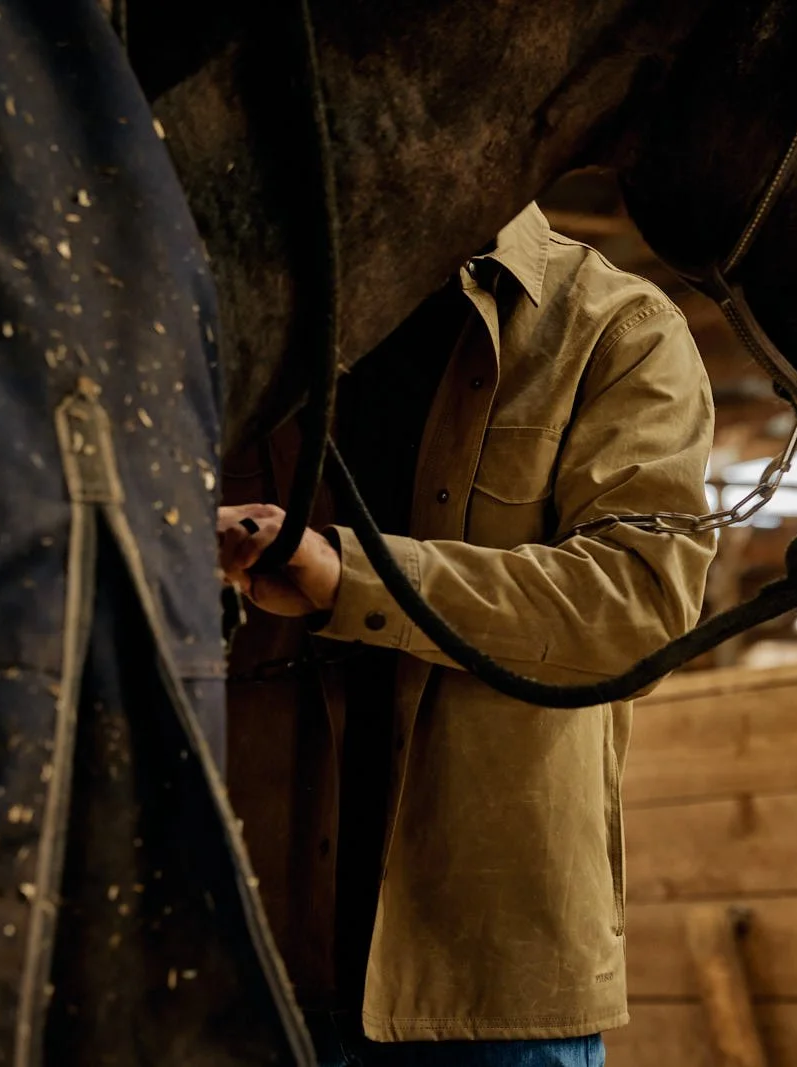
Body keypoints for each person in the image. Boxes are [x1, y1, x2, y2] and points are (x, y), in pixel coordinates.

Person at [216, 202, 716, 1067]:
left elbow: (638, 609)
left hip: (492, 990)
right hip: (243, 968)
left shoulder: (613, 327)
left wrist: (350, 577)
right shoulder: (245, 317)